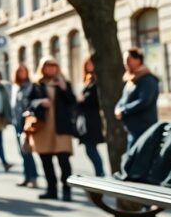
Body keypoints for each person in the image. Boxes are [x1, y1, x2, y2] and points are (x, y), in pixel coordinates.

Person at [25, 57, 76, 201]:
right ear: (42, 68)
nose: (51, 68)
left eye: (54, 65)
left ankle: (67, 190)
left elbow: (72, 102)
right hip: (42, 128)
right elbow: (27, 103)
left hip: (61, 128)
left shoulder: (64, 83)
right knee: (46, 161)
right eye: (48, 66)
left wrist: (64, 88)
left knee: (64, 161)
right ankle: (51, 190)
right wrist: (40, 102)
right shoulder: (36, 84)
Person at [114, 47, 160, 150]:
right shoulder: (131, 79)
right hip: (133, 131)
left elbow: (144, 101)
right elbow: (123, 99)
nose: (125, 63)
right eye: (124, 61)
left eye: (128, 60)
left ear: (138, 60)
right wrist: (118, 108)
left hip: (143, 130)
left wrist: (124, 110)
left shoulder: (147, 79)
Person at [11, 64, 38, 188]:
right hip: (16, 123)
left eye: (24, 71)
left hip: (26, 124)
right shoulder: (15, 87)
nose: (22, 73)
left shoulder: (31, 86)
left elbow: (28, 105)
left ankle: (33, 177)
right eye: (19, 71)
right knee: (22, 152)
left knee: (27, 151)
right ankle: (26, 176)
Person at [77, 57, 105, 177]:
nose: (90, 66)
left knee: (91, 149)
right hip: (86, 119)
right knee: (89, 149)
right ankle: (99, 173)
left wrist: (81, 99)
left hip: (92, 119)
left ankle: (100, 173)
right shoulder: (87, 80)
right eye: (88, 64)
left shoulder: (96, 80)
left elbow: (91, 100)